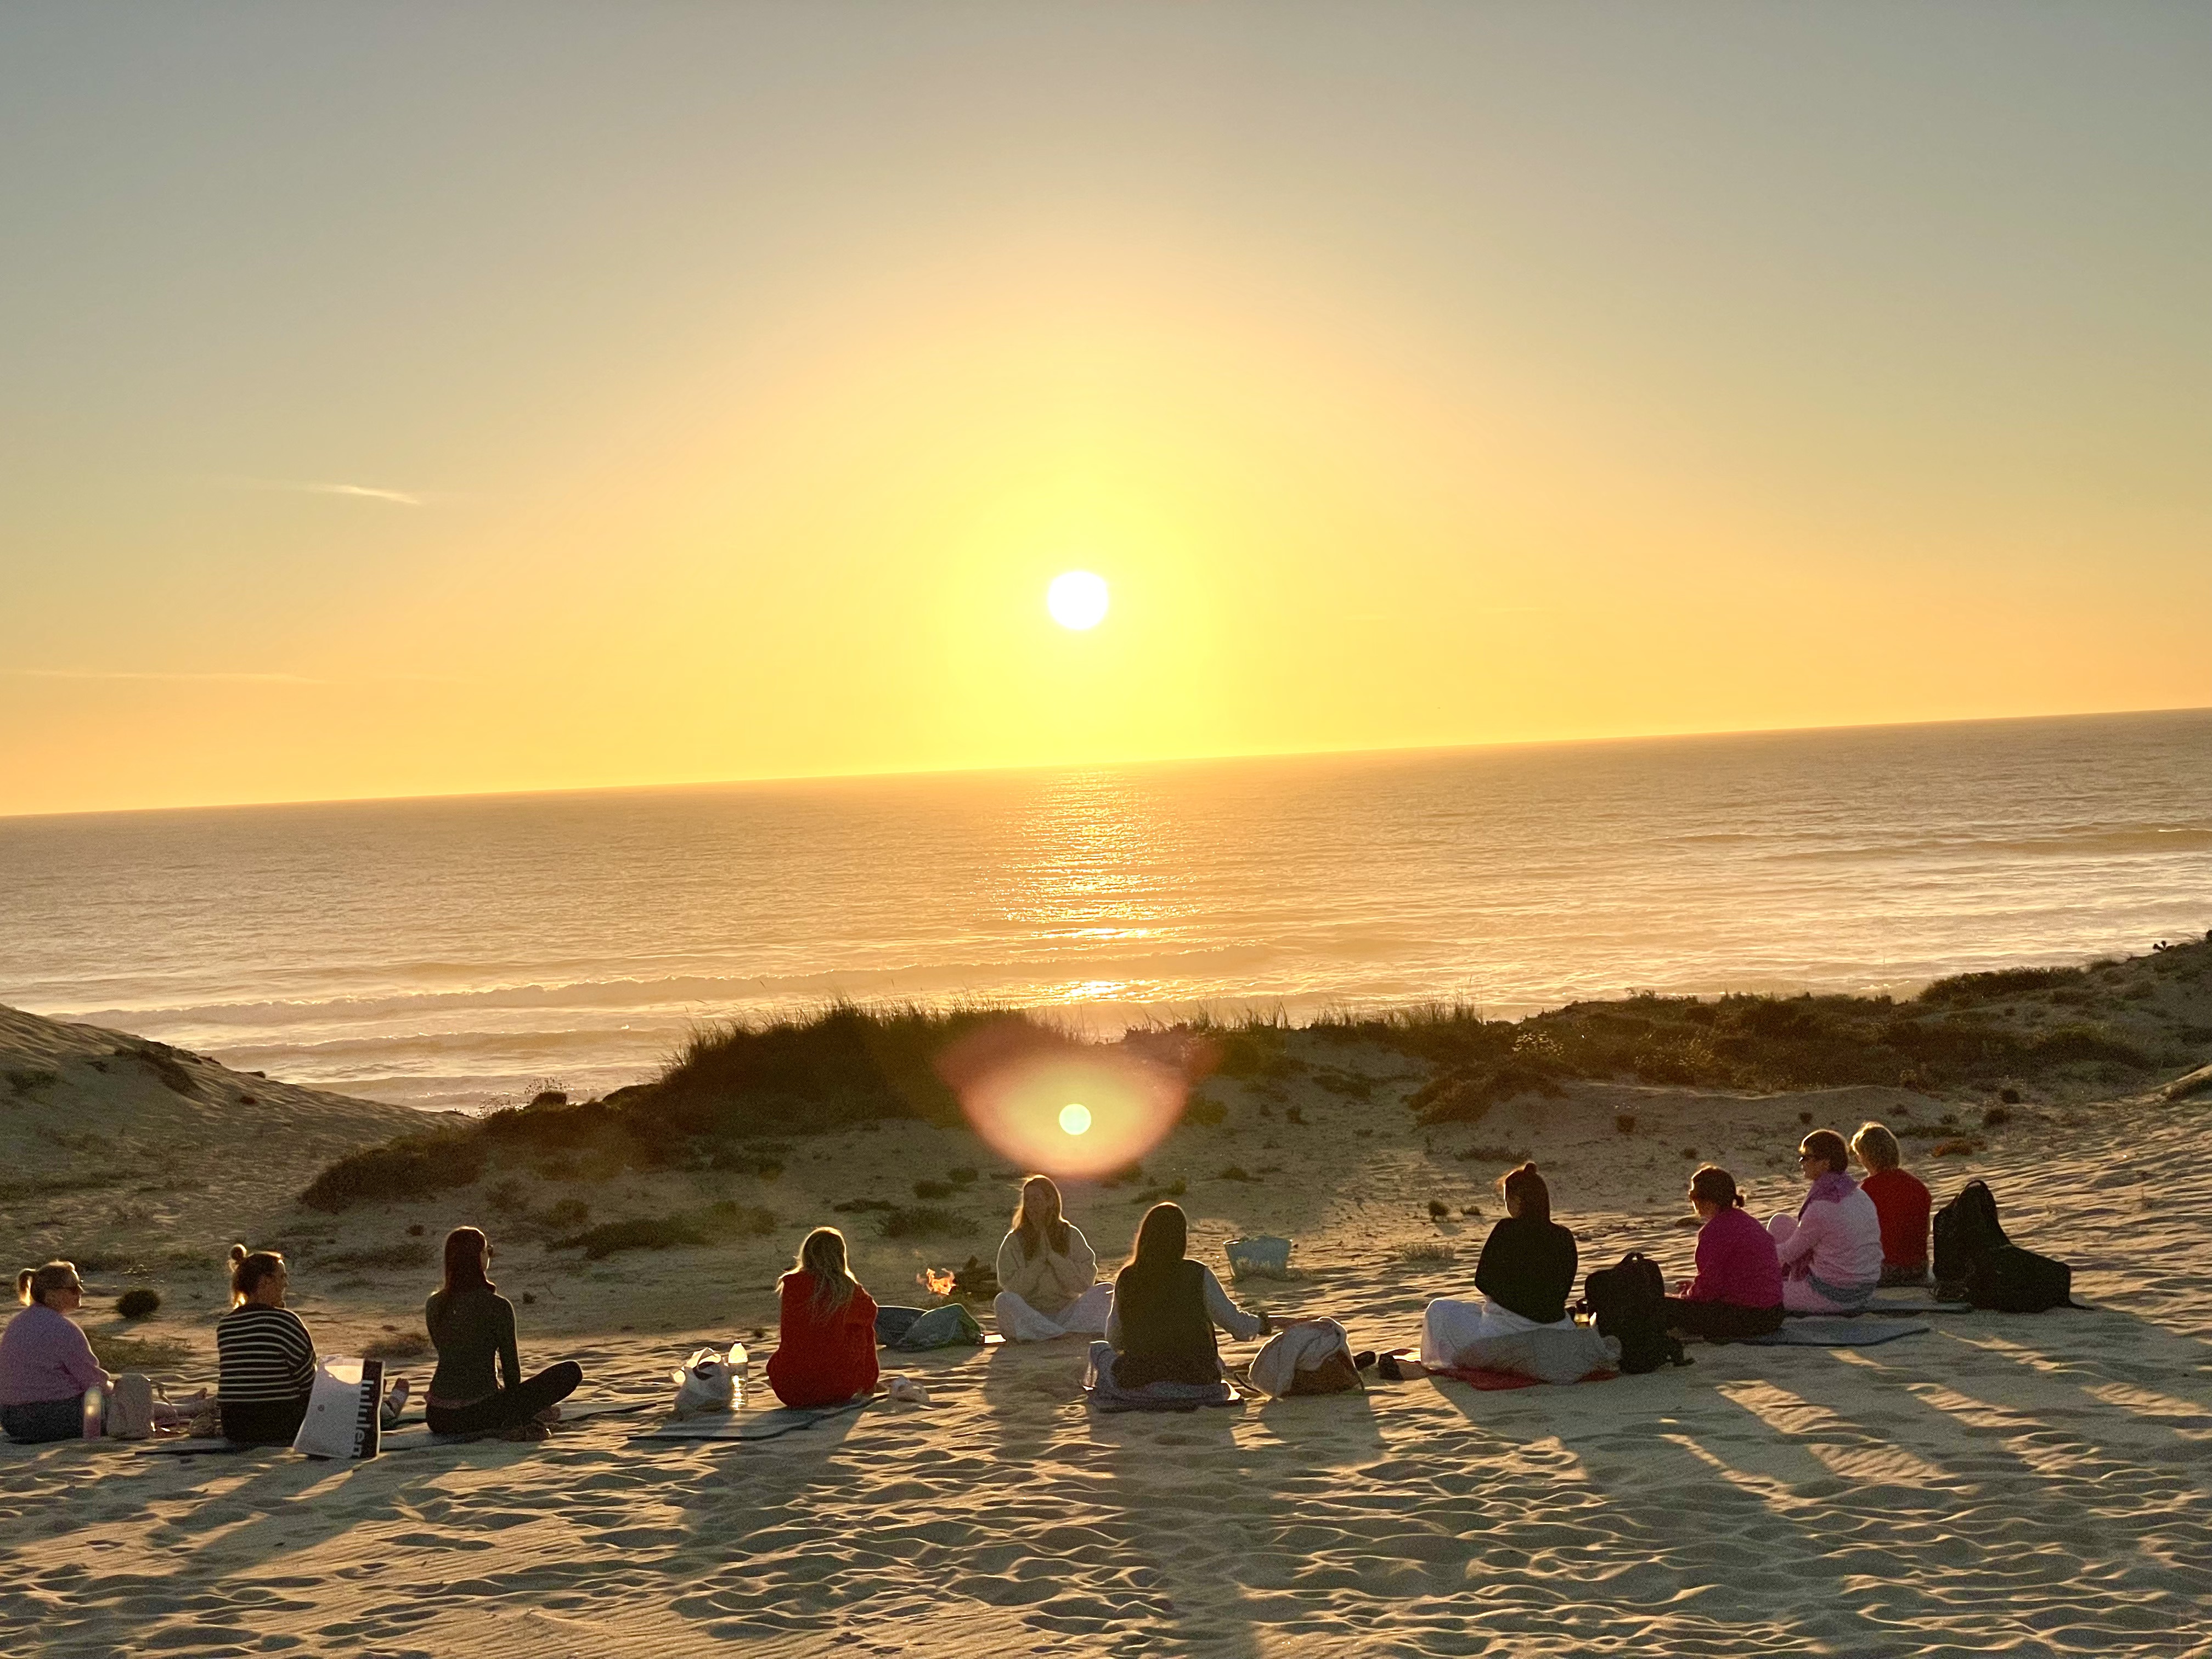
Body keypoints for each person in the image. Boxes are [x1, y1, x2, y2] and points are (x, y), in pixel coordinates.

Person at [425, 1228, 582, 1440]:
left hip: (438, 1417)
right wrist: (519, 1407)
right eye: (487, 1250)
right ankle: (515, 1416)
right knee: (571, 1371)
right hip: (477, 1414)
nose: (490, 1254)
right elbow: (511, 1371)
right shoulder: (498, 1306)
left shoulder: (434, 1304)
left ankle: (513, 1411)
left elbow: (452, 1354)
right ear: (479, 1256)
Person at [1420, 1164, 1577, 1368]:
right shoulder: (1564, 1236)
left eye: (1506, 1200)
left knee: (1439, 1310)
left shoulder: (1506, 1229)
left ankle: (1447, 1364)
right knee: (1473, 1312)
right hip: (1557, 1327)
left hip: (1506, 1330)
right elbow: (1564, 1288)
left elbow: (1482, 1281)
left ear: (1517, 1201)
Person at [1101, 1202, 1272, 1389]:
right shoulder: (1198, 1274)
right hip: (1197, 1380)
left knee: (1099, 1351)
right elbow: (1236, 1324)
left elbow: (1114, 1339)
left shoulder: (1127, 1278)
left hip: (1141, 1380)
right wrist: (1263, 1323)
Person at [1664, 1166, 1786, 1341]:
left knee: (1661, 1306)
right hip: (1775, 1313)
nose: (1692, 1201)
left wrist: (1687, 1296)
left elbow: (1709, 1288)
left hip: (1750, 1317)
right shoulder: (1747, 1222)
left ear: (1708, 1200)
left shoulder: (1714, 1231)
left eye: (1693, 1195)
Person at [1768, 1129, 1883, 1313]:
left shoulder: (1823, 1206)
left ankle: (1776, 1281)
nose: (1802, 1162)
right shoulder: (1858, 1194)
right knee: (1780, 1222)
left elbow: (1790, 1253)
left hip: (1835, 1294)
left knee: (1758, 1291)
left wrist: (1753, 1252)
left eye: (1807, 1157)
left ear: (1825, 1163)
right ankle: (1780, 1279)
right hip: (1865, 1287)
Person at [766, 1227, 881, 1408]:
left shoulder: (792, 1285)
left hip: (790, 1388)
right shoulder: (848, 1289)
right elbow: (871, 1313)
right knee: (862, 1329)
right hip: (837, 1387)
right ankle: (868, 1385)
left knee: (794, 1347)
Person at [217, 1245, 318, 1444]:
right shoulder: (285, 1322)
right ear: (264, 1282)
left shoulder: (226, 1325)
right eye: (282, 1277)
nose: (286, 1284)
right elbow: (309, 1383)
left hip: (235, 1427)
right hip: (282, 1425)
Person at [993, 1176, 1112, 1341]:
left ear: (1051, 1202)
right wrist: (1039, 1263)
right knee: (1003, 1301)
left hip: (1068, 1313)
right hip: (1031, 1314)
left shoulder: (1071, 1235)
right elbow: (1013, 1289)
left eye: (1036, 1199)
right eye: (1027, 1200)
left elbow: (1084, 1285)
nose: (1031, 1205)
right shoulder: (1014, 1240)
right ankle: (1059, 1333)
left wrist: (1054, 1259)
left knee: (1107, 1291)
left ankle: (1051, 1333)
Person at [2, 1262, 109, 1442]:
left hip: (11, 1420)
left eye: (80, 1284)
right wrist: (116, 1389)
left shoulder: (17, 1323)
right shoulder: (62, 1328)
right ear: (52, 1295)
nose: (81, 1291)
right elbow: (94, 1382)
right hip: (53, 1417)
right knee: (128, 1406)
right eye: (73, 1288)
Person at [1850, 1121, 1932, 1286]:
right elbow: (1924, 1230)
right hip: (1918, 1268)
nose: (1859, 1160)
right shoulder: (1917, 1185)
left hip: (1886, 1271)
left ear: (1867, 1156)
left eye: (1859, 1155)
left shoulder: (1866, 1190)